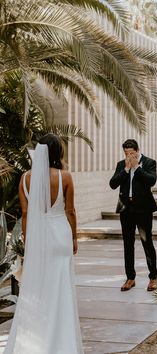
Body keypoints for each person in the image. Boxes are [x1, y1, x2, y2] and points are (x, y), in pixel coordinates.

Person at [4, 134, 84, 354]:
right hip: (60, 236)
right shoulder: (65, 177)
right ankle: (62, 342)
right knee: (61, 287)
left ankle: (35, 341)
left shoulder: (25, 179)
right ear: (58, 152)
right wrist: (74, 237)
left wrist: (29, 243)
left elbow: (26, 214)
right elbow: (70, 210)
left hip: (39, 238)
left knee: (38, 289)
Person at [109, 139, 157, 291]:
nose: (129, 156)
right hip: (126, 209)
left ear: (137, 151)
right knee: (127, 244)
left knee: (146, 242)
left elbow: (152, 181)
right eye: (126, 153)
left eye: (131, 153)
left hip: (143, 209)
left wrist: (136, 168)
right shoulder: (121, 165)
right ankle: (130, 278)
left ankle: (153, 277)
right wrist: (125, 170)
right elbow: (113, 184)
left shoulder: (149, 162)